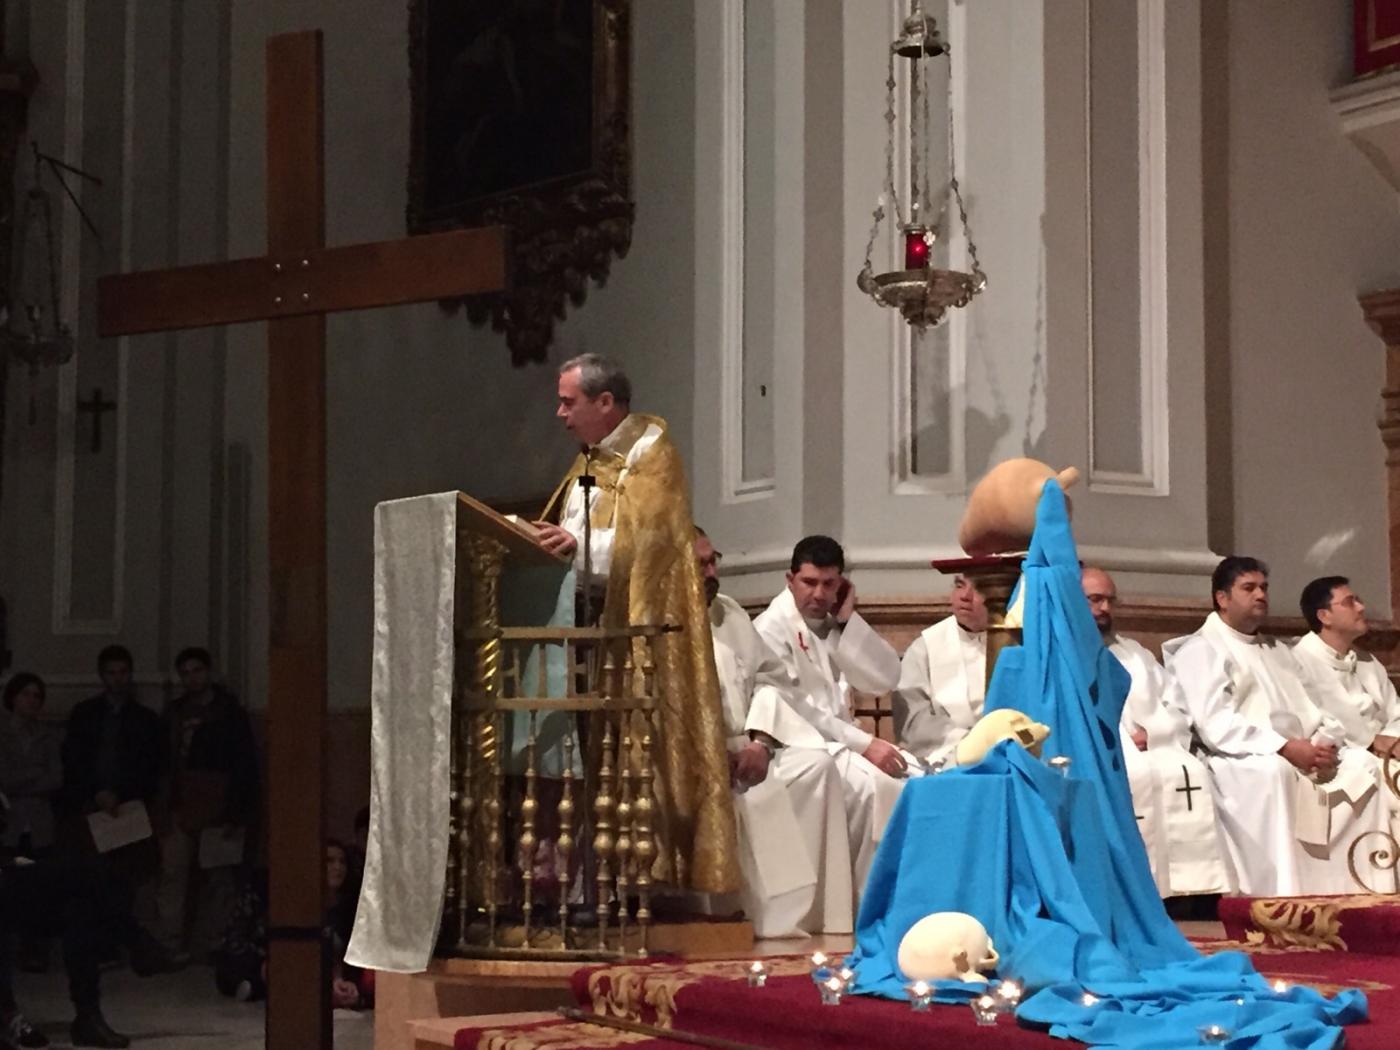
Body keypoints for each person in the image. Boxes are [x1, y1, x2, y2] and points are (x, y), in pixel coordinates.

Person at [533, 352, 738, 895]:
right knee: (589, 763)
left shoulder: (652, 455)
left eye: (567, 401)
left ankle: (643, 883)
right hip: (586, 630)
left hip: (638, 632)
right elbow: (572, 533)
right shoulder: (588, 464)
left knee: (635, 758)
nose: (559, 413)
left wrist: (575, 546)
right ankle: (592, 884)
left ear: (605, 403)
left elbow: (653, 544)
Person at [1164, 557, 1395, 895]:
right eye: (1249, 588)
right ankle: (1285, 893)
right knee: (1275, 772)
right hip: (1241, 758)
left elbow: (1314, 708)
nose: (1260, 595)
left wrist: (1325, 743)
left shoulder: (1277, 650)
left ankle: (1366, 890)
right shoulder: (1201, 649)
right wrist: (1285, 747)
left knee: (1364, 765)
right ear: (1222, 598)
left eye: (1264, 588)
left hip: (1300, 751)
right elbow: (1217, 725)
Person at [695, 530, 853, 935]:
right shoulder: (654, 617)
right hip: (695, 756)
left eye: (715, 561)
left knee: (816, 766)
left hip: (750, 743)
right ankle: (741, 914)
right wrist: (714, 751)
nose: (713, 572)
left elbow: (771, 680)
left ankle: (820, 917)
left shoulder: (728, 613)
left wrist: (761, 740)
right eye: (702, 565)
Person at [753, 535, 906, 890]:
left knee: (915, 781)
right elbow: (792, 707)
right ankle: (862, 903)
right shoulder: (770, 629)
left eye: (829, 584)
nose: (819, 594)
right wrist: (865, 744)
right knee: (876, 790)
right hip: (798, 749)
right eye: (809, 583)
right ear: (789, 580)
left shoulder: (828, 624)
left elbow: (885, 679)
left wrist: (847, 620)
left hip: (839, 747)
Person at [1080, 568, 1231, 898]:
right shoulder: (1066, 655)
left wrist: (1157, 734)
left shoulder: (1135, 652)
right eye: (1094, 599)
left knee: (1190, 771)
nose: (1104, 608)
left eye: (1110, 600)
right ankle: (1142, 893)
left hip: (1157, 750)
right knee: (1138, 774)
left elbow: (1174, 703)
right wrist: (1124, 744)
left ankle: (1189, 891)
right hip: (1109, 755)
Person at [154, 647, 259, 960]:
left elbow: (243, 764)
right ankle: (170, 942)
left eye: (196, 671)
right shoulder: (173, 714)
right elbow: (162, 761)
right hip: (179, 801)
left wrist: (236, 810)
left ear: (209, 672)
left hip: (218, 804)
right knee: (172, 872)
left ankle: (218, 941)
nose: (191, 678)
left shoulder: (228, 713)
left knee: (219, 877)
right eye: (185, 673)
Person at [1293, 577, 1400, 760]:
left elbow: (1395, 711)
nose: (1361, 608)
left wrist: (1391, 740)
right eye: (1350, 602)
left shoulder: (1366, 660)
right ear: (1324, 616)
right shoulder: (1299, 664)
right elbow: (1314, 729)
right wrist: (1372, 743)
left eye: (1358, 600)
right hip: (1345, 761)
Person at [891, 574, 988, 769]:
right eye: (959, 586)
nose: (965, 596)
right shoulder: (925, 647)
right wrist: (970, 744)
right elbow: (914, 722)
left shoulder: (1018, 641)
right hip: (946, 758)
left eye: (978, 588)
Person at [0, 674, 62, 972]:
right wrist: (33, 775)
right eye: (26, 694)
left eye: (37, 695)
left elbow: (56, 778)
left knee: (38, 886)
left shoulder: (47, 735)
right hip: (8, 822)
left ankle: (34, 948)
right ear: (13, 697)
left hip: (38, 825)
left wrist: (21, 780)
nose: (32, 700)